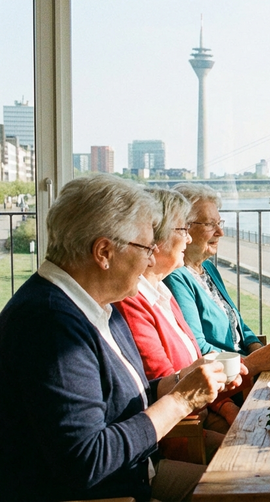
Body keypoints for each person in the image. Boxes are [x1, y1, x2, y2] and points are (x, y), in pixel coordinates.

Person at [0, 174, 244, 501]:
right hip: (110, 493)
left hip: (141, 475)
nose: (150, 257)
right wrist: (181, 400)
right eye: (145, 247)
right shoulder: (49, 325)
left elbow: (119, 397)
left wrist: (179, 382)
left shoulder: (97, 304)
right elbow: (87, 461)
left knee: (252, 481)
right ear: (104, 252)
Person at [114, 188, 240, 457]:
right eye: (183, 229)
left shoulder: (161, 290)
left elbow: (193, 368)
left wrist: (225, 406)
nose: (188, 237)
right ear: (155, 241)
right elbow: (169, 386)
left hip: (206, 413)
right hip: (183, 434)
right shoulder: (133, 300)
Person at [164, 183, 270, 377]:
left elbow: (239, 324)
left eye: (219, 223)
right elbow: (198, 349)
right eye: (209, 224)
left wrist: (261, 351)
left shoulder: (207, 268)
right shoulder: (177, 278)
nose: (220, 232)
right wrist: (251, 364)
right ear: (184, 228)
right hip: (229, 382)